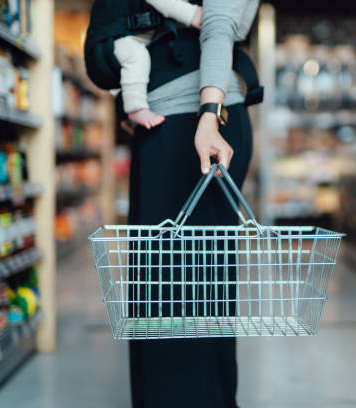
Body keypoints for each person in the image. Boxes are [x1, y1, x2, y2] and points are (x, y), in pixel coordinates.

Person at [126, 0, 259, 407]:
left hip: (199, 127)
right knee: (157, 295)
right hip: (163, 126)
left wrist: (208, 113)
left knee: (188, 294)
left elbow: (219, 24)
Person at [114, 0, 202, 129]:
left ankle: (126, 111)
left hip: (141, 34)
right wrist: (193, 14)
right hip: (123, 37)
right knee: (136, 57)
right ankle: (135, 108)